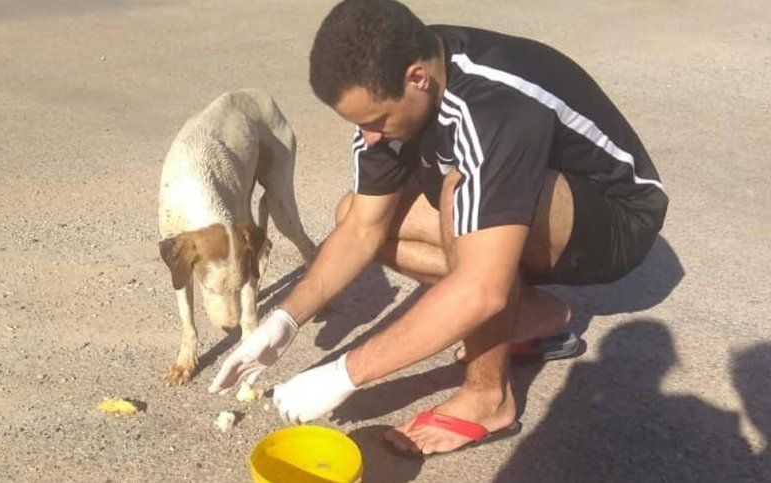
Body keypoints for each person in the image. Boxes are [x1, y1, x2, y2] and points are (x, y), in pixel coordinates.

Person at [208, 0, 668, 456]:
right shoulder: (395, 79)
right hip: (521, 197)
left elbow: (480, 288)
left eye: (376, 121)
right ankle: (531, 315)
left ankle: (488, 398)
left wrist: (343, 374)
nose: (368, 137)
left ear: (417, 78)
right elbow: (363, 229)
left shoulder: (491, 104)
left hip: (615, 216)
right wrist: (284, 320)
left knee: (461, 194)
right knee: (353, 211)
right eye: (359, 124)